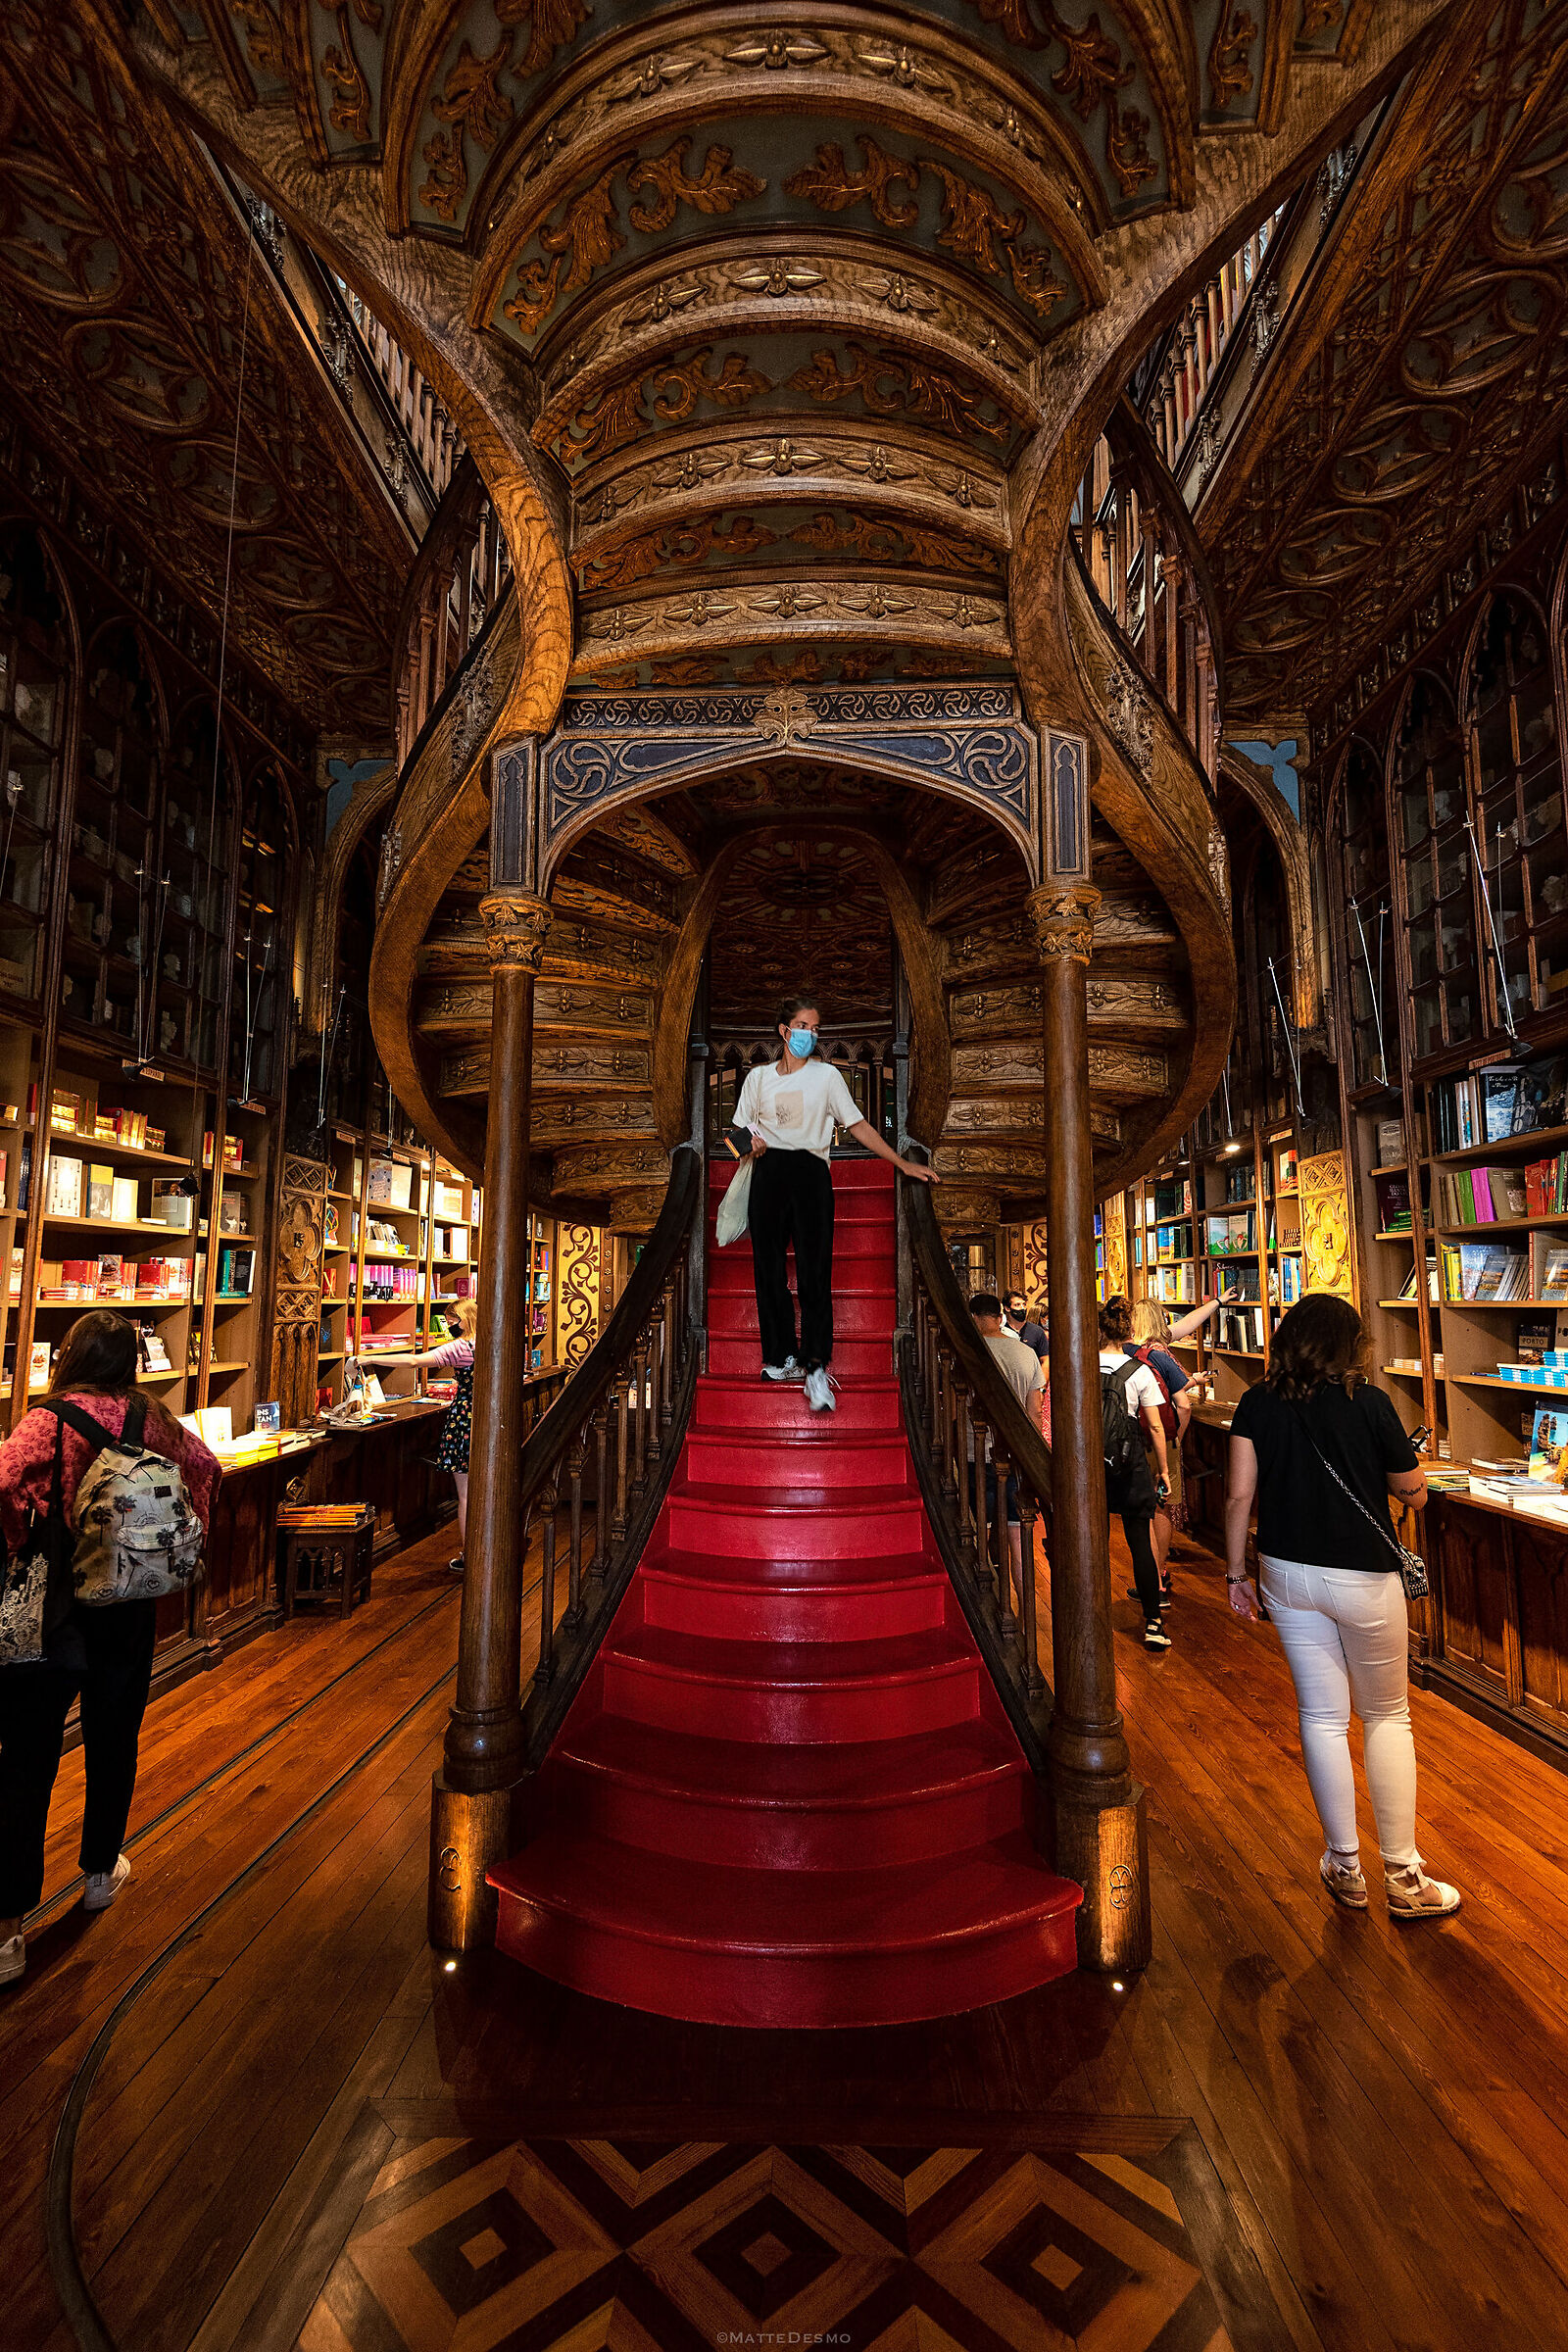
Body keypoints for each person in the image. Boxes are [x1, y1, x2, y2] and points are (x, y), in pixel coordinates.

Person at [0, 1310, 220, 1987]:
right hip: (127, 1603)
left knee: (28, 1759)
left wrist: (20, 1538)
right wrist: (179, 1543)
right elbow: (206, 1468)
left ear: (71, 1356)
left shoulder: (49, 1418)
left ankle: (8, 1932)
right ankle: (100, 1872)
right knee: (114, 1736)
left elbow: (5, 1481)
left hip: (53, 1608)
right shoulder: (150, 1416)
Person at [1224, 1293, 1459, 1921]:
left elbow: (1238, 1498)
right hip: (1364, 1576)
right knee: (1387, 1716)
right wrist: (1411, 1475)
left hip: (1286, 1572)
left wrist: (1234, 1573)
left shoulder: (1254, 1403)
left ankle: (1345, 1865)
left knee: (1322, 1718)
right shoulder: (1372, 1403)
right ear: (1350, 1344)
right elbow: (1414, 1495)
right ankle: (1405, 1877)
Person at [735, 996, 937, 1413]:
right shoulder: (757, 1079)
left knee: (814, 1274)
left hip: (811, 1174)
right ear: (784, 1031)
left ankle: (814, 1366)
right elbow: (735, 1134)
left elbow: (858, 1124)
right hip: (768, 1174)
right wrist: (749, 1145)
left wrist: (901, 1163)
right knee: (768, 1271)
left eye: (816, 1028)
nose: (811, 1034)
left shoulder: (827, 1077)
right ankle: (779, 1357)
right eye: (804, 1026)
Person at [366, 1297, 477, 1574]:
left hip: (464, 1420)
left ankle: (470, 1557)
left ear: (464, 1320)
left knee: (466, 1494)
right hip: (488, 1416)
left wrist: (367, 1357)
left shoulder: (460, 1348)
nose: (450, 1326)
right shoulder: (492, 1342)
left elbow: (414, 1360)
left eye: (453, 1321)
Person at [1099, 1295, 1171, 1650]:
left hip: (1089, 1461)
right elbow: (1156, 1427)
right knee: (1139, 1539)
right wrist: (1164, 1470)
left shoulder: (1081, 1363)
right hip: (1128, 1461)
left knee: (1089, 1540)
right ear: (1129, 1332)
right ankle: (1153, 1622)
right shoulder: (1140, 1371)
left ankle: (1089, 1615)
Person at [967, 1295, 1047, 1607]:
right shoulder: (1026, 1353)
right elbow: (1035, 1412)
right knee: (1019, 1538)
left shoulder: (969, 1351)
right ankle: (1027, 1609)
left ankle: (982, 1607)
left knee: (979, 1533)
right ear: (1001, 1317)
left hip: (978, 1453)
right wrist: (1034, 1455)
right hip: (1015, 1455)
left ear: (973, 1318)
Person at [1123, 1298, 1193, 1606]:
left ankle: (1150, 1580)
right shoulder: (1162, 1356)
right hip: (1162, 1441)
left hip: (1134, 1442)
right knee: (1162, 1507)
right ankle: (1161, 1574)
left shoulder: (1125, 1354)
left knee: (1142, 1510)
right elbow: (1185, 1405)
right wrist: (1175, 1437)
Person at [1003, 1291, 1047, 1362]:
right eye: (1017, 1305)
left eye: (1024, 1304)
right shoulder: (1002, 1331)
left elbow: (1045, 1359)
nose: (1022, 1308)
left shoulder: (1037, 1331)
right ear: (1007, 1308)